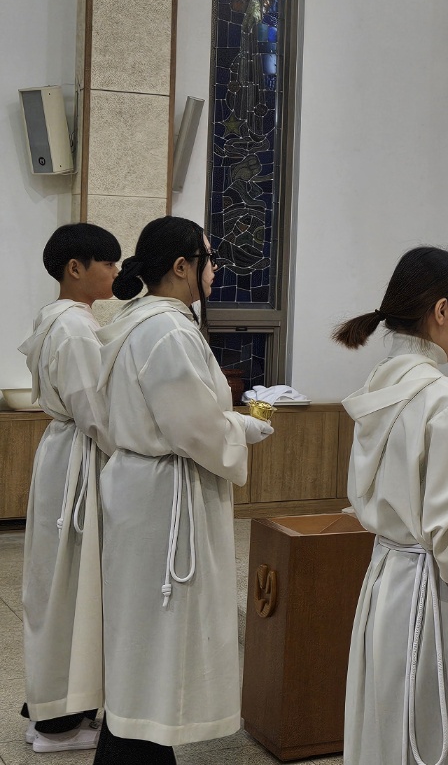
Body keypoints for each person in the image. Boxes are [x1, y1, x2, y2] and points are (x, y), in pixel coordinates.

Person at [94, 217, 275, 765]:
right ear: (181, 266)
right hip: (164, 495)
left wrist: (228, 425)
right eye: (209, 259)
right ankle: (136, 746)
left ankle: (131, 741)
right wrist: (241, 428)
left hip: (143, 484)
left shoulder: (138, 319)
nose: (215, 270)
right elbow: (192, 427)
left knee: (142, 629)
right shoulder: (168, 331)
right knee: (159, 628)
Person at [334, 247, 448, 765]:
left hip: (387, 580)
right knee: (437, 728)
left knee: (388, 725)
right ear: (442, 310)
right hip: (439, 594)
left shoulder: (380, 383)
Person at [19, 224, 120, 752]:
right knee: (72, 587)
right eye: (108, 263)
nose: (116, 272)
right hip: (81, 456)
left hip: (63, 452)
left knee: (57, 584)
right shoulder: (76, 327)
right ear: (75, 268)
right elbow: (95, 412)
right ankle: (58, 723)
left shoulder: (56, 317)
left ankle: (53, 710)